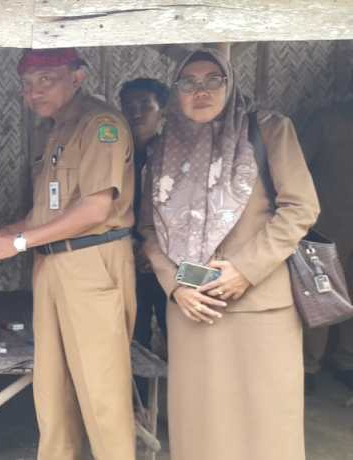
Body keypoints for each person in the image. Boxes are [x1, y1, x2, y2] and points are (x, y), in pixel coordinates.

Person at [139, 48, 319, 460]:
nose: (200, 92)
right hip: (192, 308)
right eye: (189, 83)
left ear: (230, 82)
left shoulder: (269, 130)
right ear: (176, 92)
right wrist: (175, 287)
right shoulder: (163, 147)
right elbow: (148, 230)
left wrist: (245, 270)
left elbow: (301, 207)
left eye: (212, 81)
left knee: (265, 424)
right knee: (202, 426)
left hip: (258, 307)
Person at [0, 48, 138, 459]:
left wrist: (18, 244)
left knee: (102, 392)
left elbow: (96, 209)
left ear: (77, 77)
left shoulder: (102, 125)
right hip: (52, 266)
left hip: (92, 264)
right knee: (52, 388)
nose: (34, 92)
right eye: (27, 84)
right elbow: (43, 213)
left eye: (47, 79)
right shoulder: (54, 132)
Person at [119, 78, 170, 399]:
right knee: (133, 335)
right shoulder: (115, 154)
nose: (136, 113)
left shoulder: (174, 155)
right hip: (125, 255)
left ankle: (180, 405)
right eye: (130, 106)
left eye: (145, 106)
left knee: (175, 332)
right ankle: (135, 404)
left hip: (167, 260)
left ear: (161, 110)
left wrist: (156, 249)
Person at [299, 90, 353, 394]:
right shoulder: (326, 121)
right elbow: (296, 168)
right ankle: (309, 364)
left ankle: (346, 359)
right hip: (325, 228)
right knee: (320, 298)